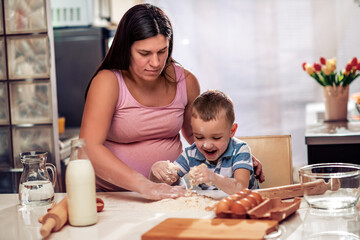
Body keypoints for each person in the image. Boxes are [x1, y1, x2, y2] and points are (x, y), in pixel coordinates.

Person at [79, 3, 264, 200]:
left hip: (168, 194)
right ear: (127, 48)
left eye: (162, 51)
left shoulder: (186, 81)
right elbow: (89, 147)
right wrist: (145, 186)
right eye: (144, 53)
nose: (156, 62)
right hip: (114, 196)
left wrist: (235, 156)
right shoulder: (108, 82)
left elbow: (199, 136)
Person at [150, 90, 259, 195]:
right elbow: (162, 183)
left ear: (232, 131)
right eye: (199, 137)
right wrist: (156, 172)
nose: (207, 145)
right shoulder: (191, 154)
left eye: (216, 138)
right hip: (212, 208)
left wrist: (213, 178)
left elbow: (241, 188)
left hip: (248, 206)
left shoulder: (240, 150)